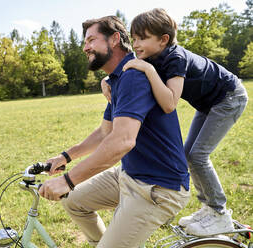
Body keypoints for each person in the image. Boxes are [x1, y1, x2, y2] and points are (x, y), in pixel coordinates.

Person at [39, 16, 190, 248]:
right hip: (129, 175)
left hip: (158, 188)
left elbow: (122, 141)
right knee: (74, 202)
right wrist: (65, 157)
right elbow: (104, 133)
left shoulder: (133, 76)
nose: (85, 47)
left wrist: (67, 181)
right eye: (84, 41)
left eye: (91, 40)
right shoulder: (118, 78)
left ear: (115, 39)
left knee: (70, 192)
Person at [101, 8, 248, 236]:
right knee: (190, 154)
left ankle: (219, 213)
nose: (136, 44)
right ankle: (209, 207)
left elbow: (170, 102)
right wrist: (108, 79)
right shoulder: (151, 56)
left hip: (229, 97)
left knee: (197, 155)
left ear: (163, 40)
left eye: (143, 38)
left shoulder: (175, 58)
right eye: (135, 38)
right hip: (208, 103)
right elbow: (125, 69)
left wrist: (148, 70)